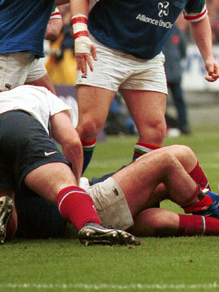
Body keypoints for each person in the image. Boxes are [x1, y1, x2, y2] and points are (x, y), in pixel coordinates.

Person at [70, 0, 219, 172]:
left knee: (155, 132)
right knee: (89, 126)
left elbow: (198, 17)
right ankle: (67, 187)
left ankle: (128, 191)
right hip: (104, 48)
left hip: (148, 59)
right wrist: (80, 34)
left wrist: (208, 56)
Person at [11, 144, 219, 240]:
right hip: (85, 210)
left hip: (88, 198)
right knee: (167, 161)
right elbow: (73, 143)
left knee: (161, 218)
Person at [0, 85, 139, 246]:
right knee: (63, 185)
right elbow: (72, 142)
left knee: (6, 202)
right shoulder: (40, 93)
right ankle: (91, 224)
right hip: (17, 123)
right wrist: (76, 186)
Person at [163, 23, 189, 135]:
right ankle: (163, 126)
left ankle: (184, 125)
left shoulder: (176, 30)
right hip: (161, 72)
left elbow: (183, 51)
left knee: (179, 100)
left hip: (174, 73)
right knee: (160, 102)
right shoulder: (160, 28)